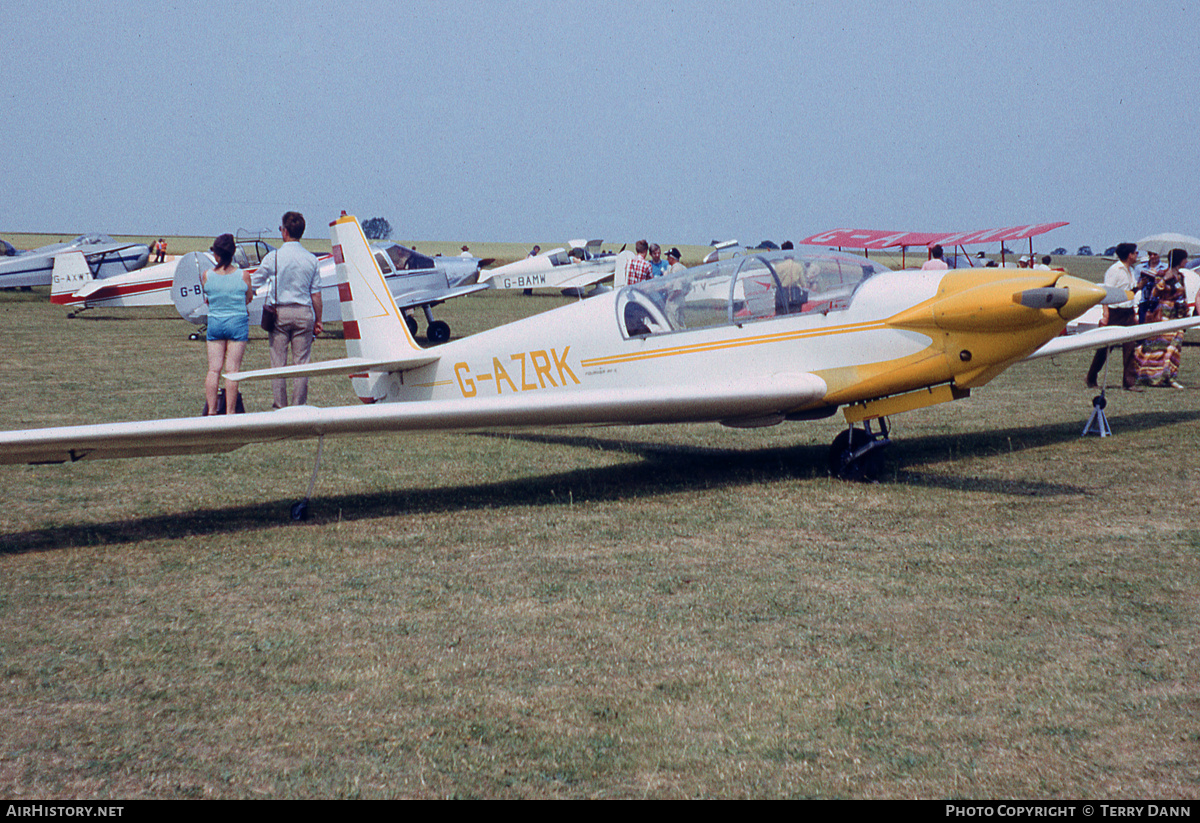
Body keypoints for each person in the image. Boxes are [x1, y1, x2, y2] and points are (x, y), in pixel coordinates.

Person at [254, 211, 323, 408]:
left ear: (284, 231)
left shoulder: (273, 257)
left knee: (278, 363)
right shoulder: (311, 260)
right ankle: (299, 406)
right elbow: (316, 295)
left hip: (279, 314)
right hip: (303, 313)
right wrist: (319, 319)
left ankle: (280, 407)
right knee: (301, 364)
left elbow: (255, 282)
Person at [200, 233, 252, 415]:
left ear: (216, 254)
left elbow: (208, 299)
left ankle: (212, 411)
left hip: (215, 322)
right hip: (237, 323)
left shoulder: (206, 275)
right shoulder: (244, 275)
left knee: (214, 370)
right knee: (232, 370)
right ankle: (230, 412)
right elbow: (248, 298)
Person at [1086, 243, 1140, 390]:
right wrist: (1106, 315)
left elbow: (1129, 293)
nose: (1137, 255)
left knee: (1130, 348)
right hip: (1115, 313)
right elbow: (1106, 293)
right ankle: (1091, 378)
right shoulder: (1114, 270)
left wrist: (1134, 311)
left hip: (1127, 312)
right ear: (1129, 255)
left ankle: (1129, 383)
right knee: (1105, 348)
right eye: (1135, 253)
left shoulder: (1131, 270)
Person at [1133, 248, 1190, 389]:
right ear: (1179, 260)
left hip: (1177, 314)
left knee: (1175, 345)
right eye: (1185, 259)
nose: (1187, 261)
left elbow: (1183, 294)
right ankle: (1151, 376)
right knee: (1160, 346)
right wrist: (1165, 279)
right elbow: (1155, 292)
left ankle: (1170, 375)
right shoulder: (1163, 274)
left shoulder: (1181, 276)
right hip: (1163, 313)